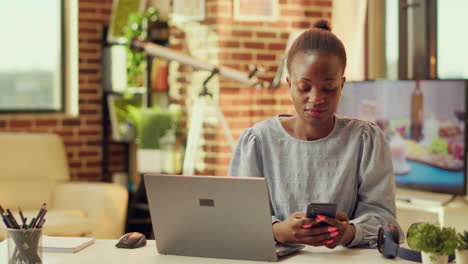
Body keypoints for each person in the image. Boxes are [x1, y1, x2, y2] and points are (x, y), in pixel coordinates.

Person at [228, 19, 401, 249]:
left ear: (342, 85)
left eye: (329, 87)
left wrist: (349, 232)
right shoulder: (258, 141)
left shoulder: (365, 139)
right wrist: (279, 231)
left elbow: (386, 222)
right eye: (304, 87)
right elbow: (236, 219)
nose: (316, 98)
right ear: (289, 84)